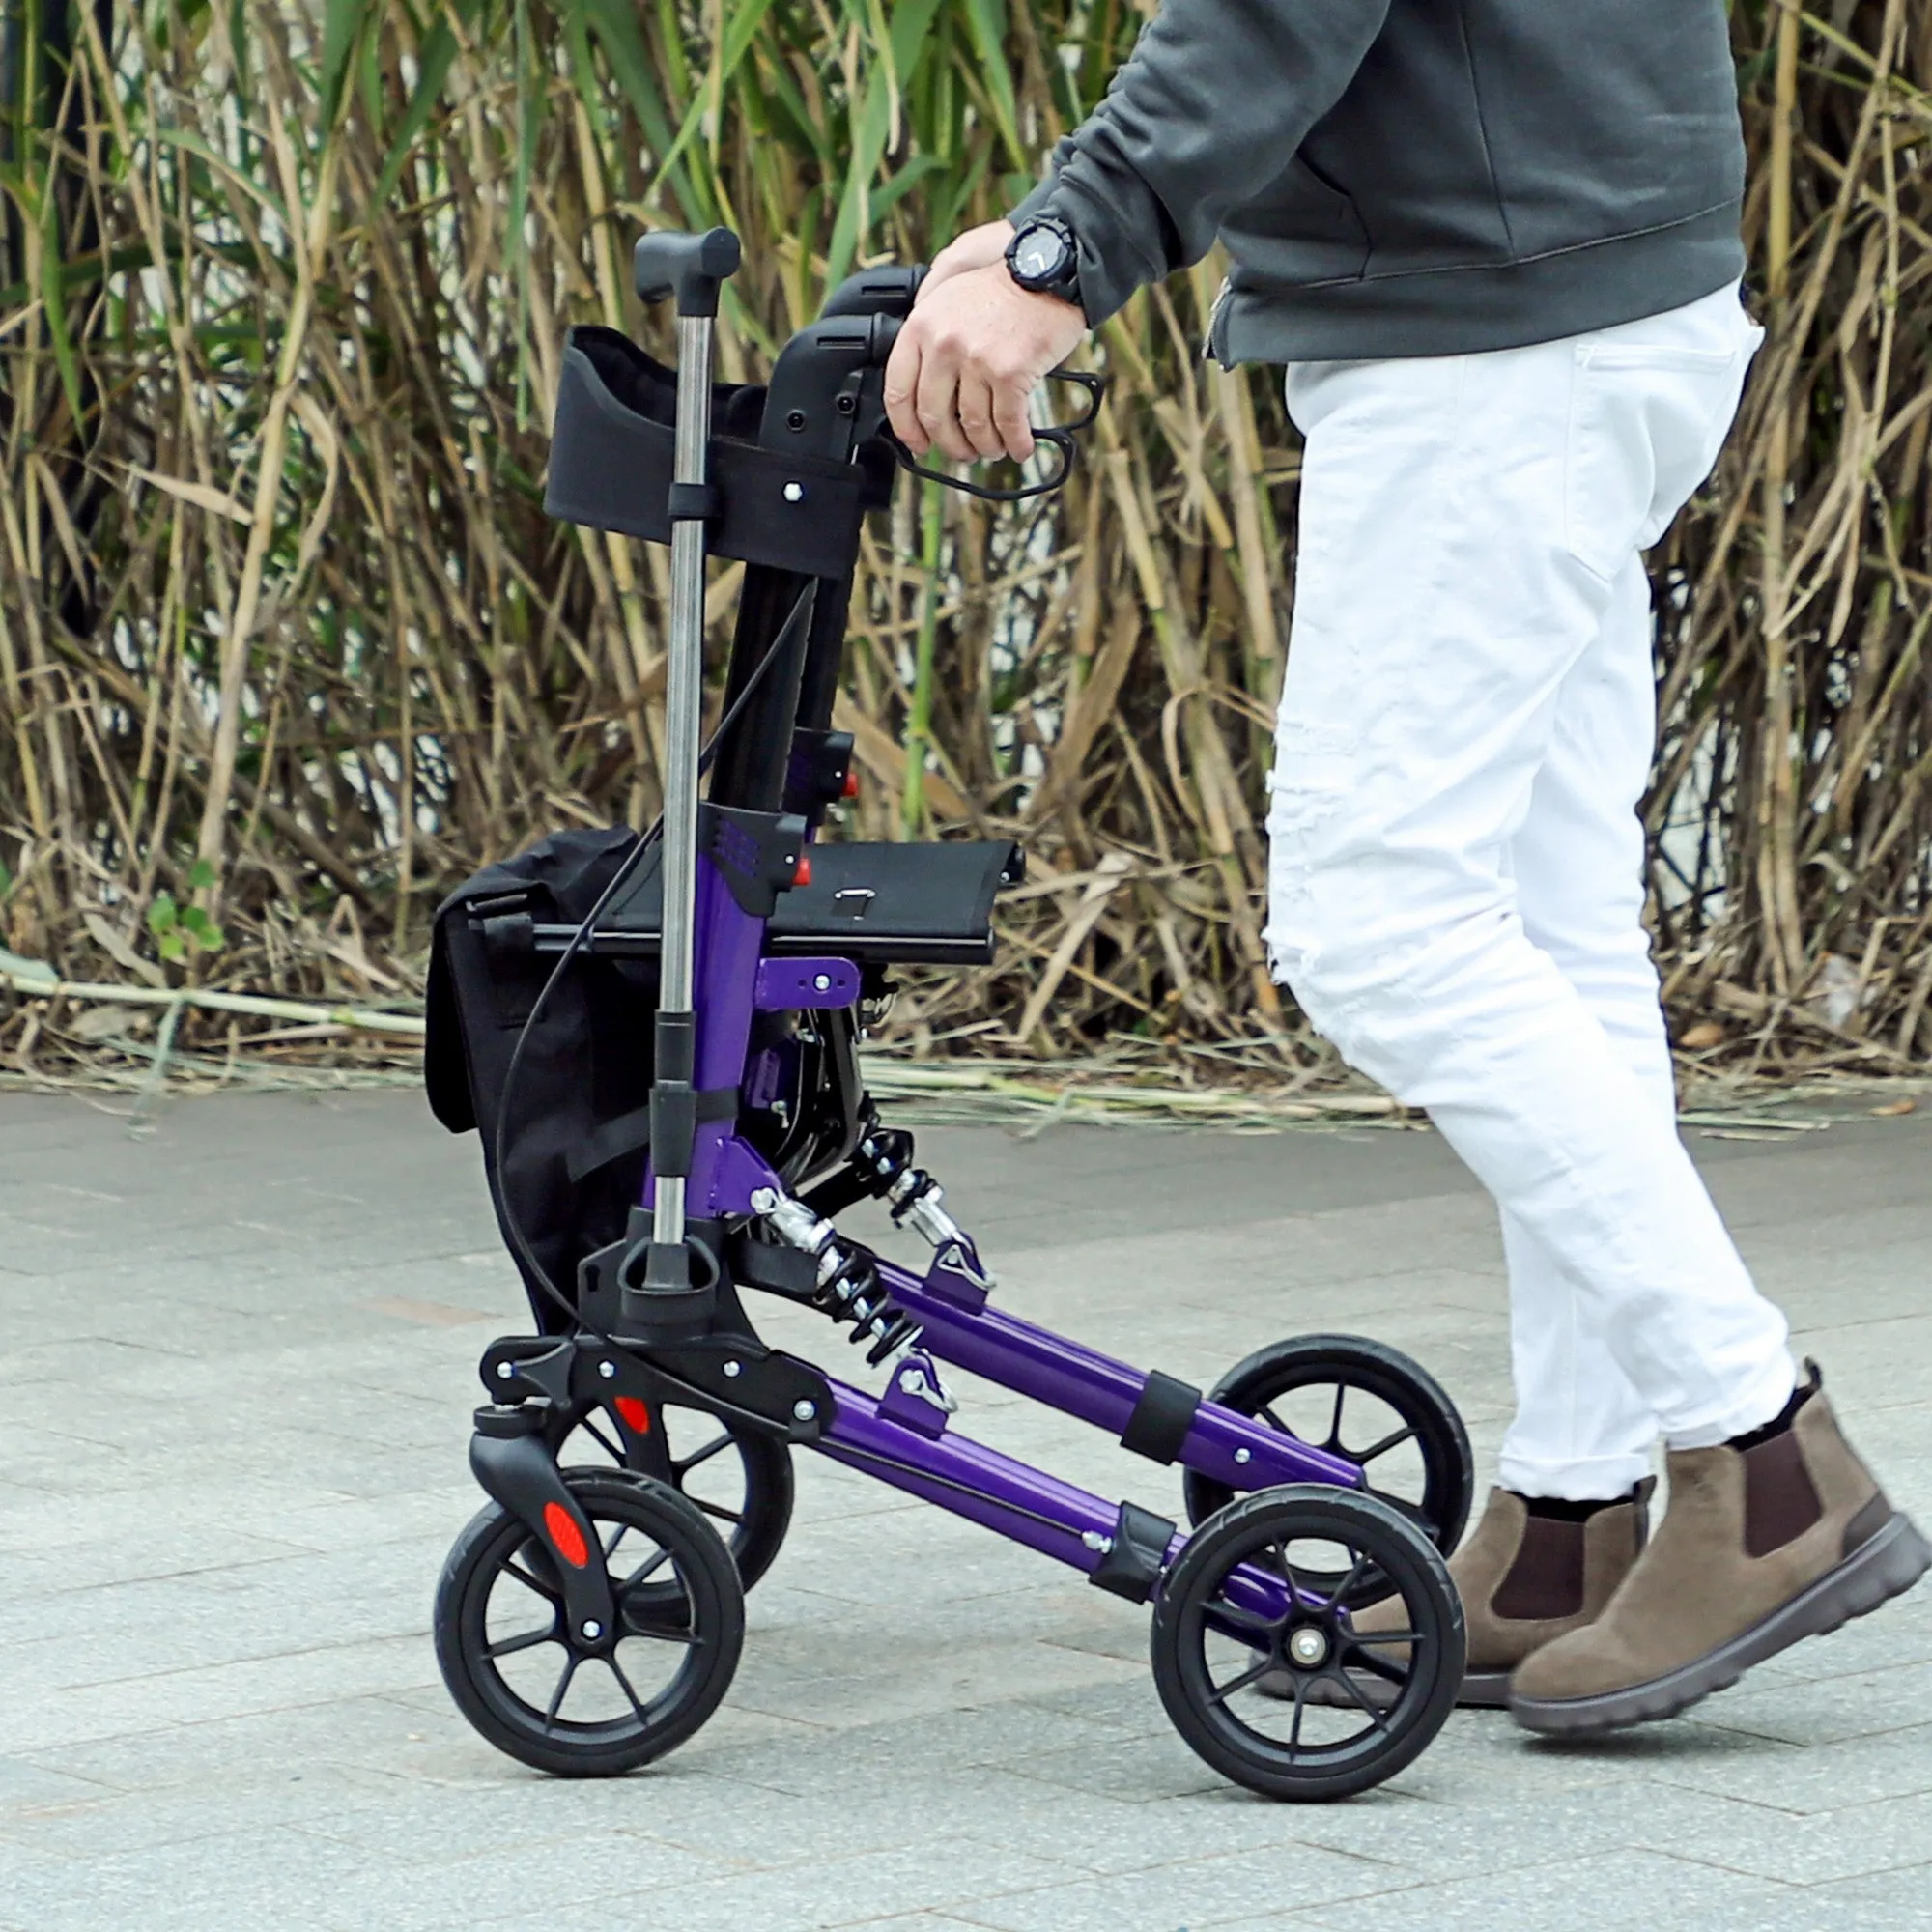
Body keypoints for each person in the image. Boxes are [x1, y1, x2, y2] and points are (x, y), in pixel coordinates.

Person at [881, 0, 1928, 1735]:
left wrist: (1065, 251)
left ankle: (1767, 1452)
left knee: (1382, 923)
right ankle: (1573, 1526)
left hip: (1496, 343)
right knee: (1549, 927)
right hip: (1594, 295)